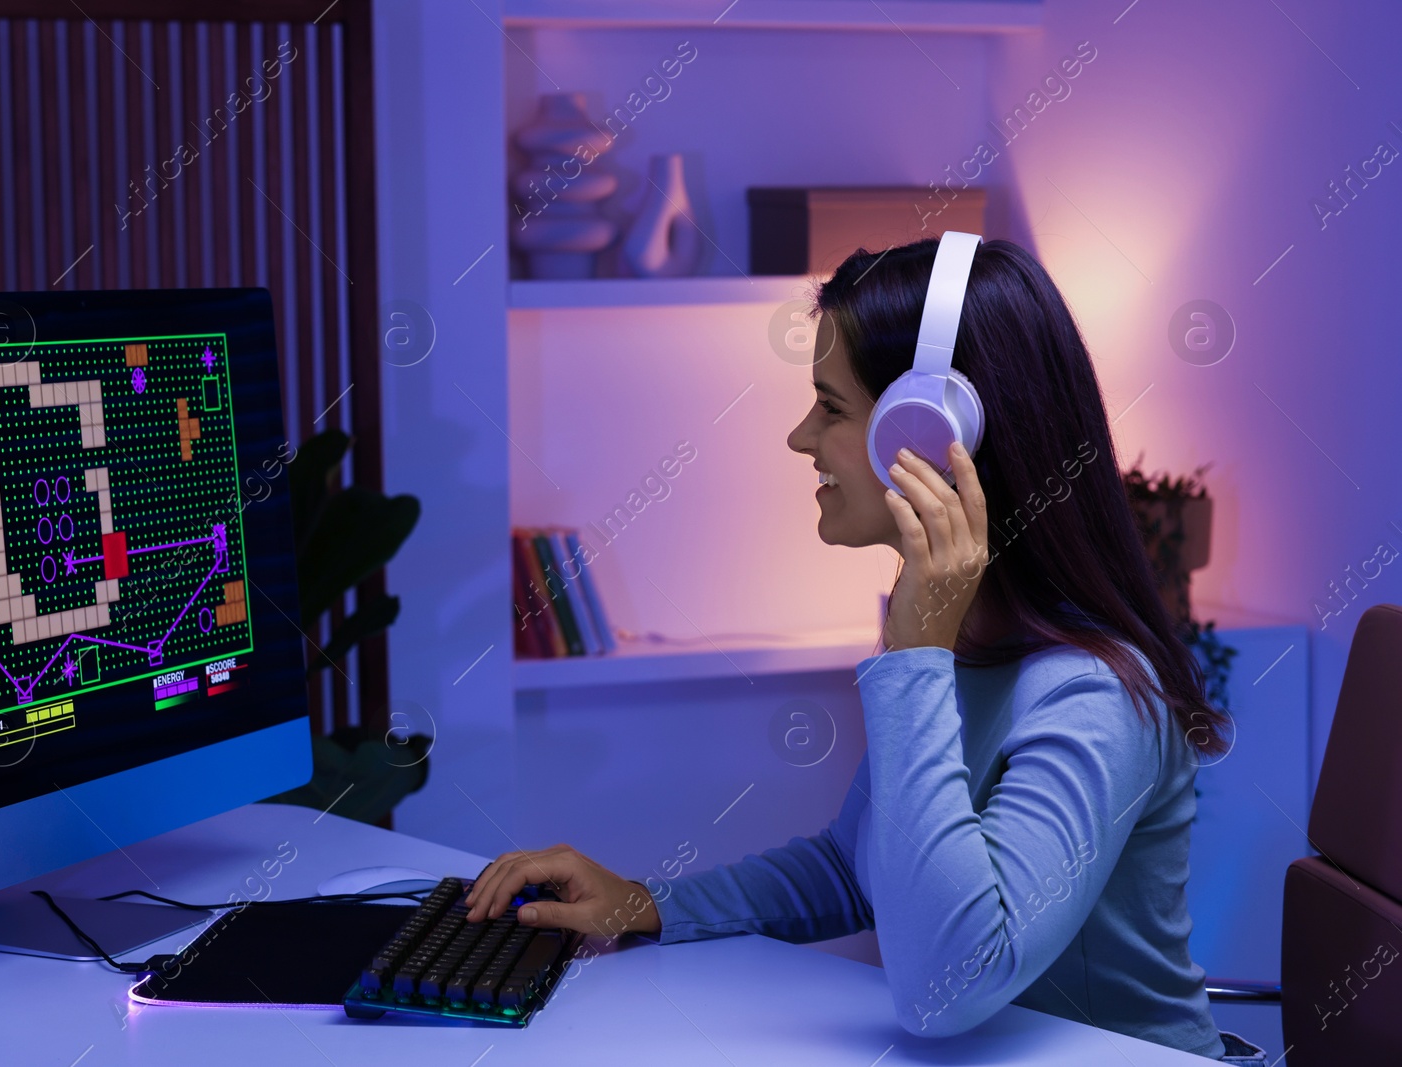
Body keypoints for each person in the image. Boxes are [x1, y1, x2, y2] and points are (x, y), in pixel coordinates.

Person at [464, 237, 1266, 1064]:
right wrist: (645, 902)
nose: (799, 437)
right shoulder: (967, 645)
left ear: (930, 432)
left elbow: (946, 986)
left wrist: (917, 653)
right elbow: (858, 868)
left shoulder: (1092, 696)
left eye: (832, 408)